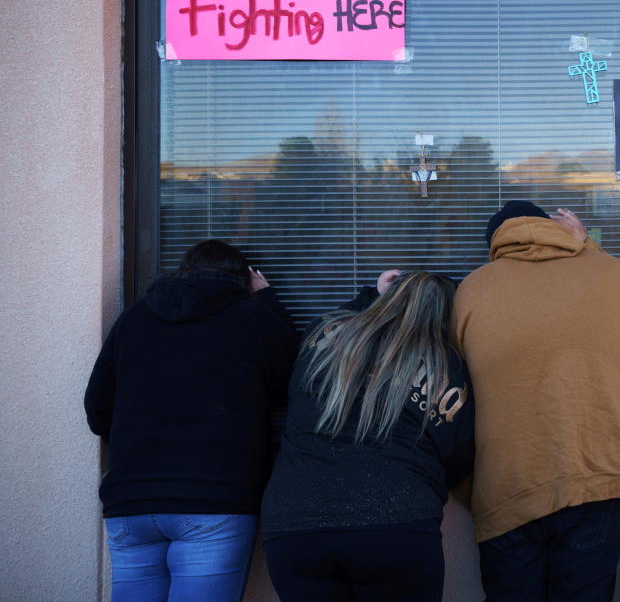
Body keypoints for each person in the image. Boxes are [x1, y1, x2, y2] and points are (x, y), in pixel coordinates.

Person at [454, 200, 620, 601]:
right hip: (595, 479)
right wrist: (587, 248)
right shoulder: (606, 273)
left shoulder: (473, 289)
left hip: (506, 485)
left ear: (495, 243)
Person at [84, 239, 298, 602]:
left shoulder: (135, 318)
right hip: (213, 499)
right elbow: (295, 379)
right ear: (245, 278)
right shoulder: (251, 317)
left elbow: (98, 410)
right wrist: (267, 300)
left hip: (131, 500)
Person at [260, 269, 474, 602]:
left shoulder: (324, 335)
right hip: (397, 525)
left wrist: (371, 296)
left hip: (296, 524)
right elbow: (458, 453)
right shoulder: (446, 366)